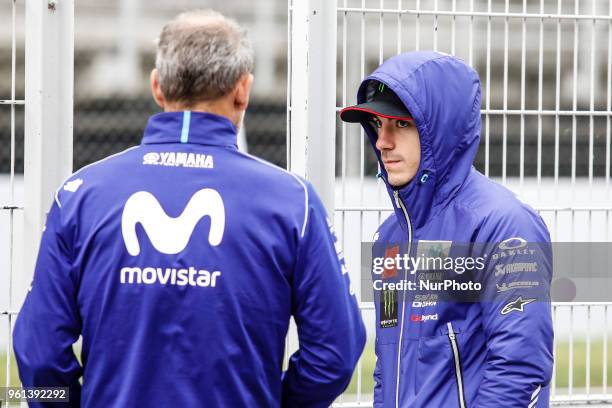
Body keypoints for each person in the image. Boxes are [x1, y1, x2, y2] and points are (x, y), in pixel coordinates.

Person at [14, 10, 365, 407]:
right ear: (243, 90)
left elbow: (40, 356)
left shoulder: (81, 194)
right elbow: (334, 354)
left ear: (157, 87)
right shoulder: (291, 201)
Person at [340, 51, 553, 407]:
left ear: (440, 129)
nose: (382, 142)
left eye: (401, 125)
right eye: (378, 125)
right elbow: (386, 369)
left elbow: (521, 368)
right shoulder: (389, 239)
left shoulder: (503, 225)